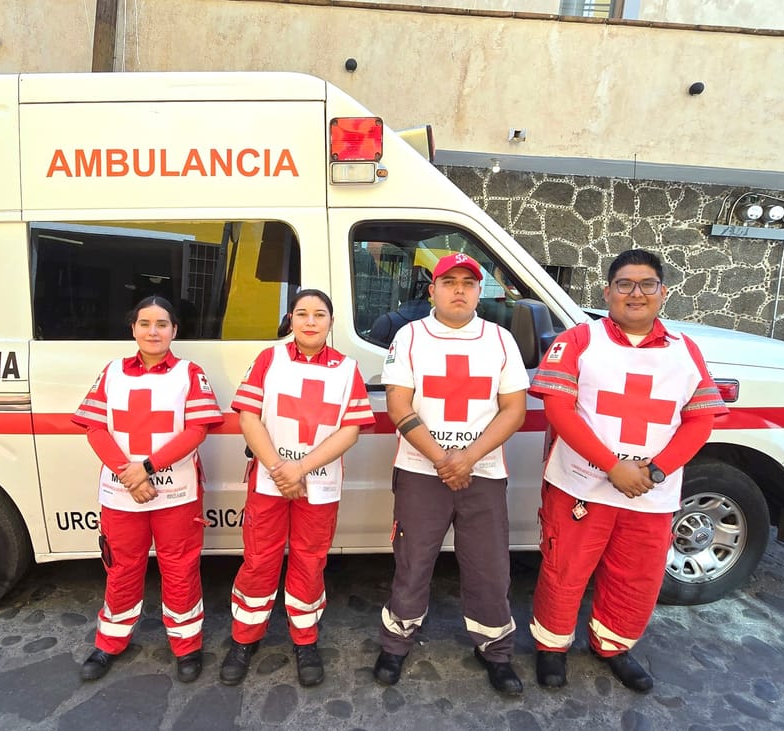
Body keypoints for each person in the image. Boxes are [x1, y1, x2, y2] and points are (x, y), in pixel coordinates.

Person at [528, 249, 728, 692]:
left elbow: (700, 420)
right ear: (607, 291)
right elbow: (559, 409)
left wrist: (653, 472)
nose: (635, 294)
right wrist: (613, 466)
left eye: (647, 285)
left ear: (663, 292)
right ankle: (551, 647)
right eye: (624, 284)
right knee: (564, 569)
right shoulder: (580, 339)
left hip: (650, 493)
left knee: (636, 575)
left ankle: (613, 645)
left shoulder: (685, 350)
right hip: (581, 484)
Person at [373, 253, 530, 696]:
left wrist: (467, 458)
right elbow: (398, 404)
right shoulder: (409, 337)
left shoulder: (499, 340)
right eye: (449, 282)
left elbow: (513, 409)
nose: (459, 289)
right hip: (421, 470)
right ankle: (396, 643)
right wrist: (444, 458)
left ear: (481, 292)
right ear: (432, 291)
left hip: (483, 472)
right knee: (413, 561)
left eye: (468, 282)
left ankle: (496, 651)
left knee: (490, 568)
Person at [219, 288, 375, 687]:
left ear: (331, 322)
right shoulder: (270, 359)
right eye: (302, 313)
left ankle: (305, 640)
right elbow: (248, 417)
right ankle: (243, 638)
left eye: (319, 314)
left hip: (320, 485)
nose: (310, 321)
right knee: (259, 559)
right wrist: (278, 468)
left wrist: (300, 468)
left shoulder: (347, 368)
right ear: (290, 319)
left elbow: (351, 430)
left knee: (309, 561)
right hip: (270, 481)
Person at [71, 295, 223, 684]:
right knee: (121, 568)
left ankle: (187, 646)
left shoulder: (190, 372)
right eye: (144, 323)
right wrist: (130, 475)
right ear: (132, 328)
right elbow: (95, 427)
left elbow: (197, 429)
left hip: (176, 493)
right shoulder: (113, 371)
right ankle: (109, 643)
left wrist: (147, 469)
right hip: (122, 491)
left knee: (180, 568)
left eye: (161, 324)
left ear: (175, 330)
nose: (152, 331)